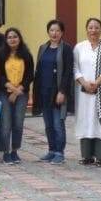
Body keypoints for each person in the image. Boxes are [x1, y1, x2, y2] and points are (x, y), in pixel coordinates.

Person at [74, 18, 101, 167]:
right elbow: (75, 68)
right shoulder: (79, 47)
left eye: (96, 27)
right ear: (86, 29)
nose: (93, 30)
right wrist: (85, 83)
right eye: (90, 27)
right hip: (84, 93)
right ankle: (87, 156)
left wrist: (97, 83)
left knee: (100, 123)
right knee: (86, 122)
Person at [33, 19, 75, 165]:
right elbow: (38, 71)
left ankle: (59, 152)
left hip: (57, 93)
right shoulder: (43, 48)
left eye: (57, 30)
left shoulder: (66, 49)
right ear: (48, 32)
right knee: (48, 124)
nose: (54, 33)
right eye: (52, 30)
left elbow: (68, 72)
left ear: (62, 32)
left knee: (58, 124)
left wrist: (62, 91)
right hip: (44, 91)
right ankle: (51, 150)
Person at [0, 28, 34, 165]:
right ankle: (5, 152)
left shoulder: (26, 55)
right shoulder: (0, 55)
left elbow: (30, 75)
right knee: (6, 123)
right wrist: (11, 89)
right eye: (9, 37)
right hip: (4, 92)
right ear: (6, 40)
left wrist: (18, 90)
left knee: (18, 122)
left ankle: (15, 151)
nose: (12, 39)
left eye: (15, 37)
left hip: (21, 92)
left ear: (20, 38)